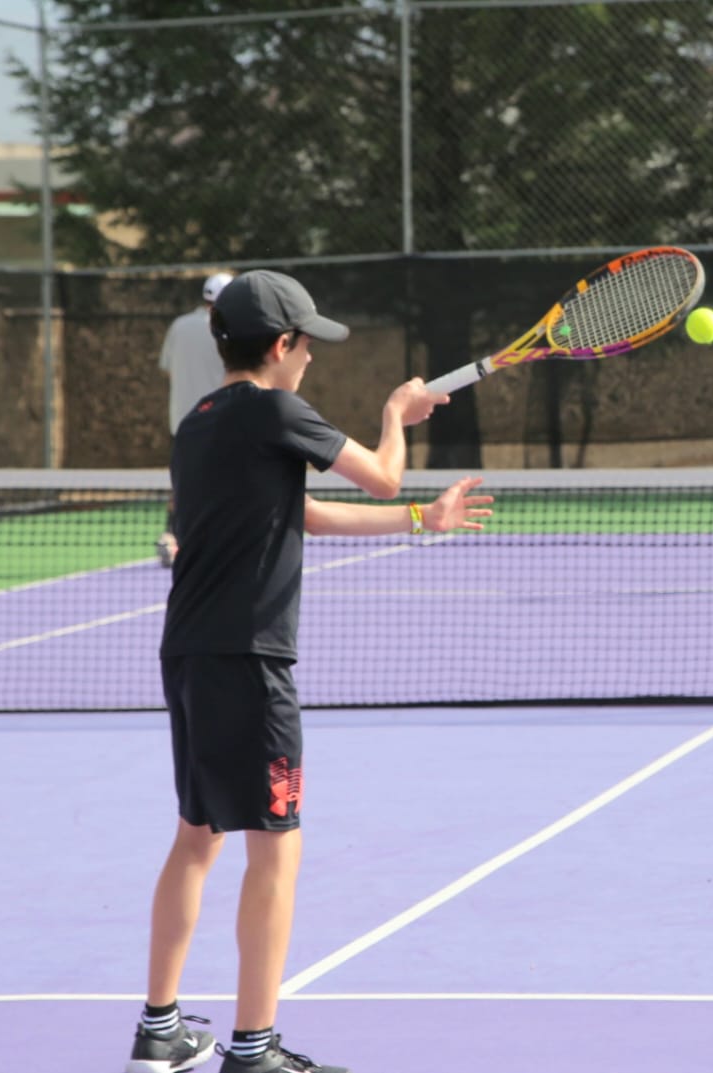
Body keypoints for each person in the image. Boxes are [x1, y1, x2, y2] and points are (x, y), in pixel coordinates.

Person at [125, 270, 492, 1073]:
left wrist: (423, 521)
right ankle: (253, 1050)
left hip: (187, 652)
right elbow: (383, 472)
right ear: (282, 345)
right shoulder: (276, 408)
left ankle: (160, 1031)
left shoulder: (200, 423)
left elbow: (302, 514)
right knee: (275, 850)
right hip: (253, 660)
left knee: (197, 836)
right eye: (307, 345)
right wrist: (397, 415)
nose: (311, 361)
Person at [156, 272, 234, 567]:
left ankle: (171, 536)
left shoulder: (179, 326)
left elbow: (168, 369)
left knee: (182, 484)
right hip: (220, 420)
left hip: (182, 422)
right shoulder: (230, 330)